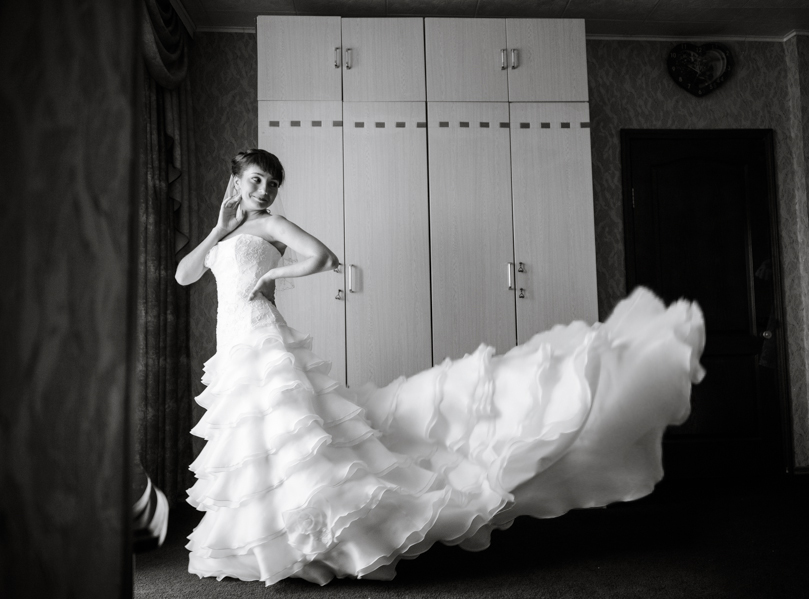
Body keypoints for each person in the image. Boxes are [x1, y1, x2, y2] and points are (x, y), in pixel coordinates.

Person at [175, 148, 706, 586]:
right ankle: (269, 540)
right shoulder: (226, 232)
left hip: (262, 337)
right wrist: (217, 230)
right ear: (236, 182)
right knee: (257, 439)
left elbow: (323, 257)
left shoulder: (273, 224)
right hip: (234, 341)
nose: (265, 190)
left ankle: (319, 537)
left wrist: (272, 277)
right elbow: (184, 274)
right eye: (256, 180)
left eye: (272, 183)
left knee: (288, 436)